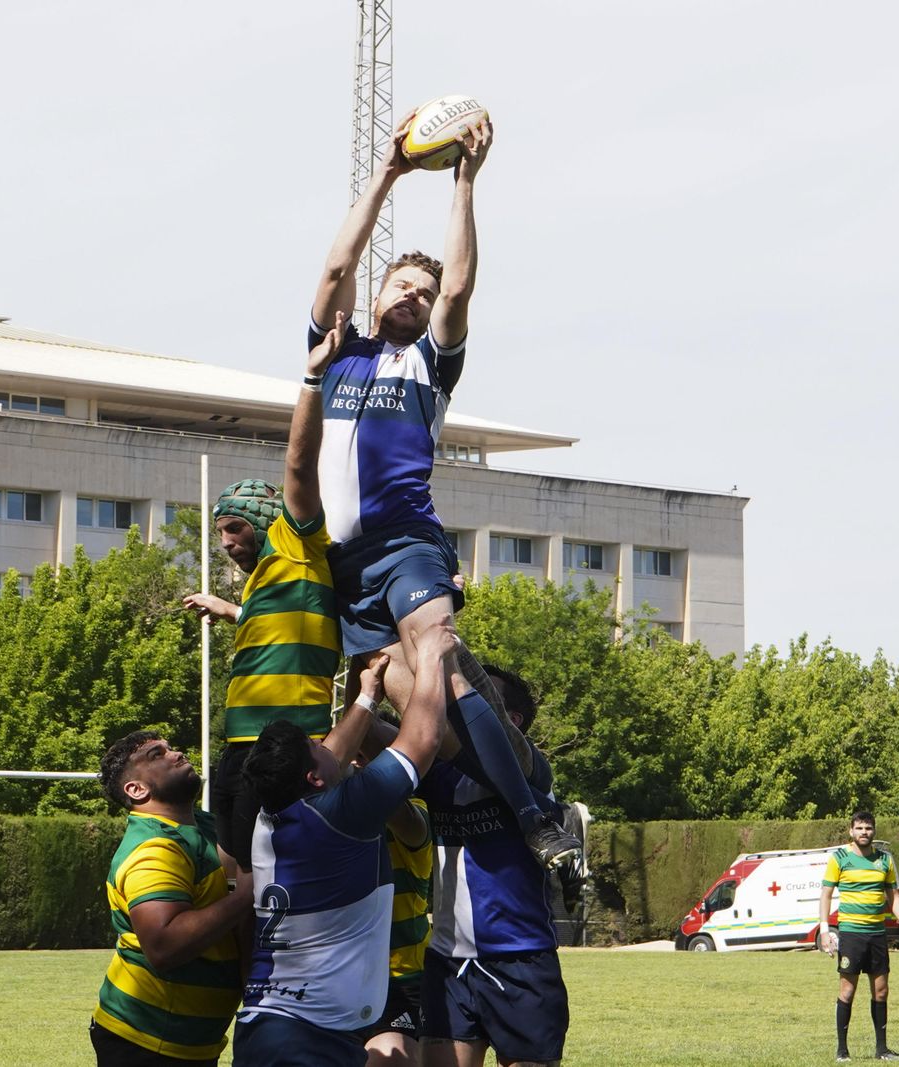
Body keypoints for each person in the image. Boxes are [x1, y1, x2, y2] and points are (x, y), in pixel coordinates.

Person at [305, 109, 578, 870]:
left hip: (407, 544)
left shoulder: (428, 363)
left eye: (423, 294)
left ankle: (536, 819)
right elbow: (334, 270)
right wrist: (388, 174)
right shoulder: (336, 350)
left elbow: (459, 284)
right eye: (403, 285)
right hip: (345, 561)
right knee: (412, 704)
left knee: (443, 656)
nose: (416, 297)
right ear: (377, 292)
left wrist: (464, 180)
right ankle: (528, 783)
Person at [232, 619, 458, 1066]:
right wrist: (430, 655)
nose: (326, 743)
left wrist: (367, 696)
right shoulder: (341, 813)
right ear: (313, 778)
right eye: (315, 745)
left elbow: (329, 758)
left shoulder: (272, 817)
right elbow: (423, 738)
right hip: (308, 1037)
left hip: (264, 1025)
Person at [181, 315, 350, 880]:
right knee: (231, 872)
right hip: (237, 741)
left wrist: (311, 380)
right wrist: (227, 609)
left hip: (281, 746)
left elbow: (299, 465)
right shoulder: (259, 581)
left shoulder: (295, 540)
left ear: (259, 518)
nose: (226, 544)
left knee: (265, 872)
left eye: (232, 529)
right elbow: (270, 630)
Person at [418, 668, 569, 1067]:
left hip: (522, 962)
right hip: (447, 962)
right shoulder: (439, 772)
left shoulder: (531, 772)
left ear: (511, 721)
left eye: (479, 694)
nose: (461, 700)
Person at [90, 731, 252, 1065]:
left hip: (188, 1043)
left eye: (171, 747)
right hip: (146, 1042)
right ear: (136, 789)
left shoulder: (204, 827)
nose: (176, 753)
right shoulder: (155, 849)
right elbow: (165, 946)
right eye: (156, 754)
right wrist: (251, 895)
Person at [818, 810, 899, 1062]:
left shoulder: (885, 860)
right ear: (851, 831)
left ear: (874, 831)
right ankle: (842, 1051)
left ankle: (882, 1050)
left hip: (877, 935)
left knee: (881, 991)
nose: (864, 832)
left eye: (868, 828)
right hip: (851, 935)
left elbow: (894, 897)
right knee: (847, 990)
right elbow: (826, 895)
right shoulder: (839, 858)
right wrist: (825, 930)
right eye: (860, 828)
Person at [361, 795, 433, 1067]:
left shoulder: (413, 809)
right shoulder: (315, 810)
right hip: (332, 979)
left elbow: (398, 810)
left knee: (391, 1057)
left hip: (400, 980)